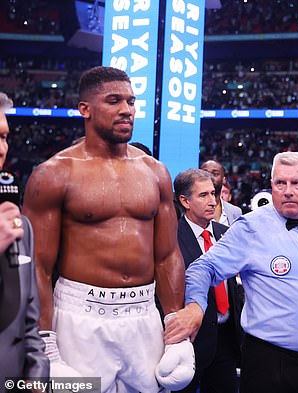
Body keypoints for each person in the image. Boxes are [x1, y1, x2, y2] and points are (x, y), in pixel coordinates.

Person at [22, 66, 194, 392]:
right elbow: (39, 267)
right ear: (85, 109)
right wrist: (46, 343)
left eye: (131, 101)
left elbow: (168, 254)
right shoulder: (54, 174)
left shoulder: (155, 171)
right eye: (114, 101)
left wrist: (173, 323)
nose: (126, 110)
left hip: (143, 315)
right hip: (79, 318)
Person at [165, 152, 298, 393]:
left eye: (296, 183)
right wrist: (195, 307)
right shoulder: (250, 227)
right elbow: (203, 267)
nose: (287, 190)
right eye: (280, 183)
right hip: (268, 363)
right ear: (271, 186)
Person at [173, 168, 242, 393]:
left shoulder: (227, 233)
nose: (213, 201)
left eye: (214, 194)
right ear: (184, 201)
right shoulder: (171, 236)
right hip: (189, 340)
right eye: (203, 195)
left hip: (227, 339)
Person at [0, 91, 49, 391]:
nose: (1, 148)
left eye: (4, 137)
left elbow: (28, 321)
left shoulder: (20, 225)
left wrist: (38, 371)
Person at [201, 160, 242, 225]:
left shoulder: (235, 212)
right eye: (205, 173)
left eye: (215, 174)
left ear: (224, 180)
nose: (209, 177)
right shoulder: (190, 209)